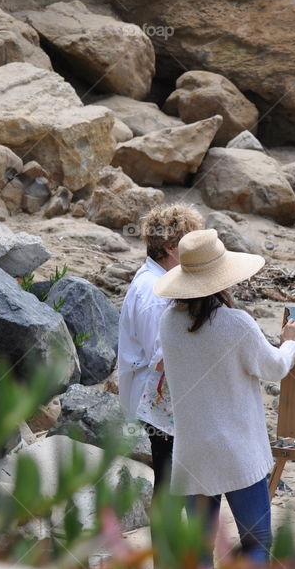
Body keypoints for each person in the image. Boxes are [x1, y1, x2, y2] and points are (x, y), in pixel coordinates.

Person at [153, 228, 295, 563]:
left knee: (199, 547)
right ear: (222, 278)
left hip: (192, 451)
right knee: (257, 541)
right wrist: (290, 340)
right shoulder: (236, 324)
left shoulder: (168, 322)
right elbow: (275, 368)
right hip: (236, 452)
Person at [117, 204, 204, 489]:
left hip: (157, 396)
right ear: (170, 248)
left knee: (172, 480)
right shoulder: (154, 292)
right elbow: (161, 358)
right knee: (169, 481)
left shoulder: (157, 281)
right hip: (155, 399)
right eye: (189, 246)